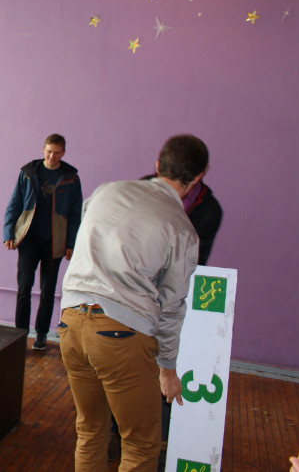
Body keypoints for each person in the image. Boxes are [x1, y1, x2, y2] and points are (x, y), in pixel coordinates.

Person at [59, 134, 209, 471]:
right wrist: (167, 368)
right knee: (141, 444)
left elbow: (89, 236)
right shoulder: (182, 229)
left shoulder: (106, 191)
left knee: (90, 431)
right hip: (120, 334)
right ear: (198, 177)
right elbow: (172, 307)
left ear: (158, 164)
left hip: (70, 322)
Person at [3, 133, 82, 350]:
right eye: (49, 151)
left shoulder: (71, 178)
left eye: (56, 153)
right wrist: (9, 233)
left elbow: (75, 214)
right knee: (24, 289)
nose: (52, 156)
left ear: (63, 152)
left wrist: (71, 243)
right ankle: (19, 335)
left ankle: (41, 334)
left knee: (47, 291)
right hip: (29, 240)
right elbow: (15, 204)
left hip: (54, 243)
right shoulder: (28, 172)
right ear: (43, 149)